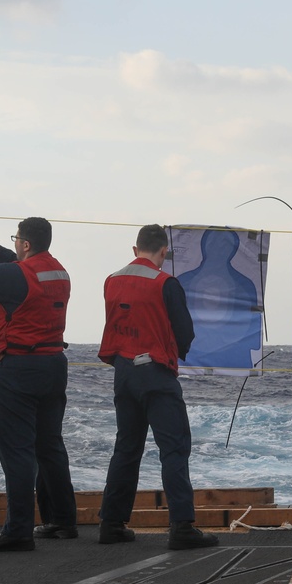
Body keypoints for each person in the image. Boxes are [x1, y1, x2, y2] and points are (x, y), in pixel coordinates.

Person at [0, 218, 77, 551]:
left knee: (18, 453)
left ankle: (18, 531)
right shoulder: (57, 271)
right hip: (53, 366)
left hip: (17, 369)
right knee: (50, 446)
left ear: (24, 244)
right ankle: (63, 521)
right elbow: (14, 265)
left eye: (17, 239)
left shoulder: (18, 274)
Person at [97, 224, 218, 550]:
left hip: (123, 372)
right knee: (174, 449)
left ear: (134, 249)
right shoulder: (166, 283)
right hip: (155, 373)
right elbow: (184, 333)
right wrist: (175, 351)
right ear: (163, 252)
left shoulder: (111, 281)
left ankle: (111, 523)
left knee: (126, 447)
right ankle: (181, 527)